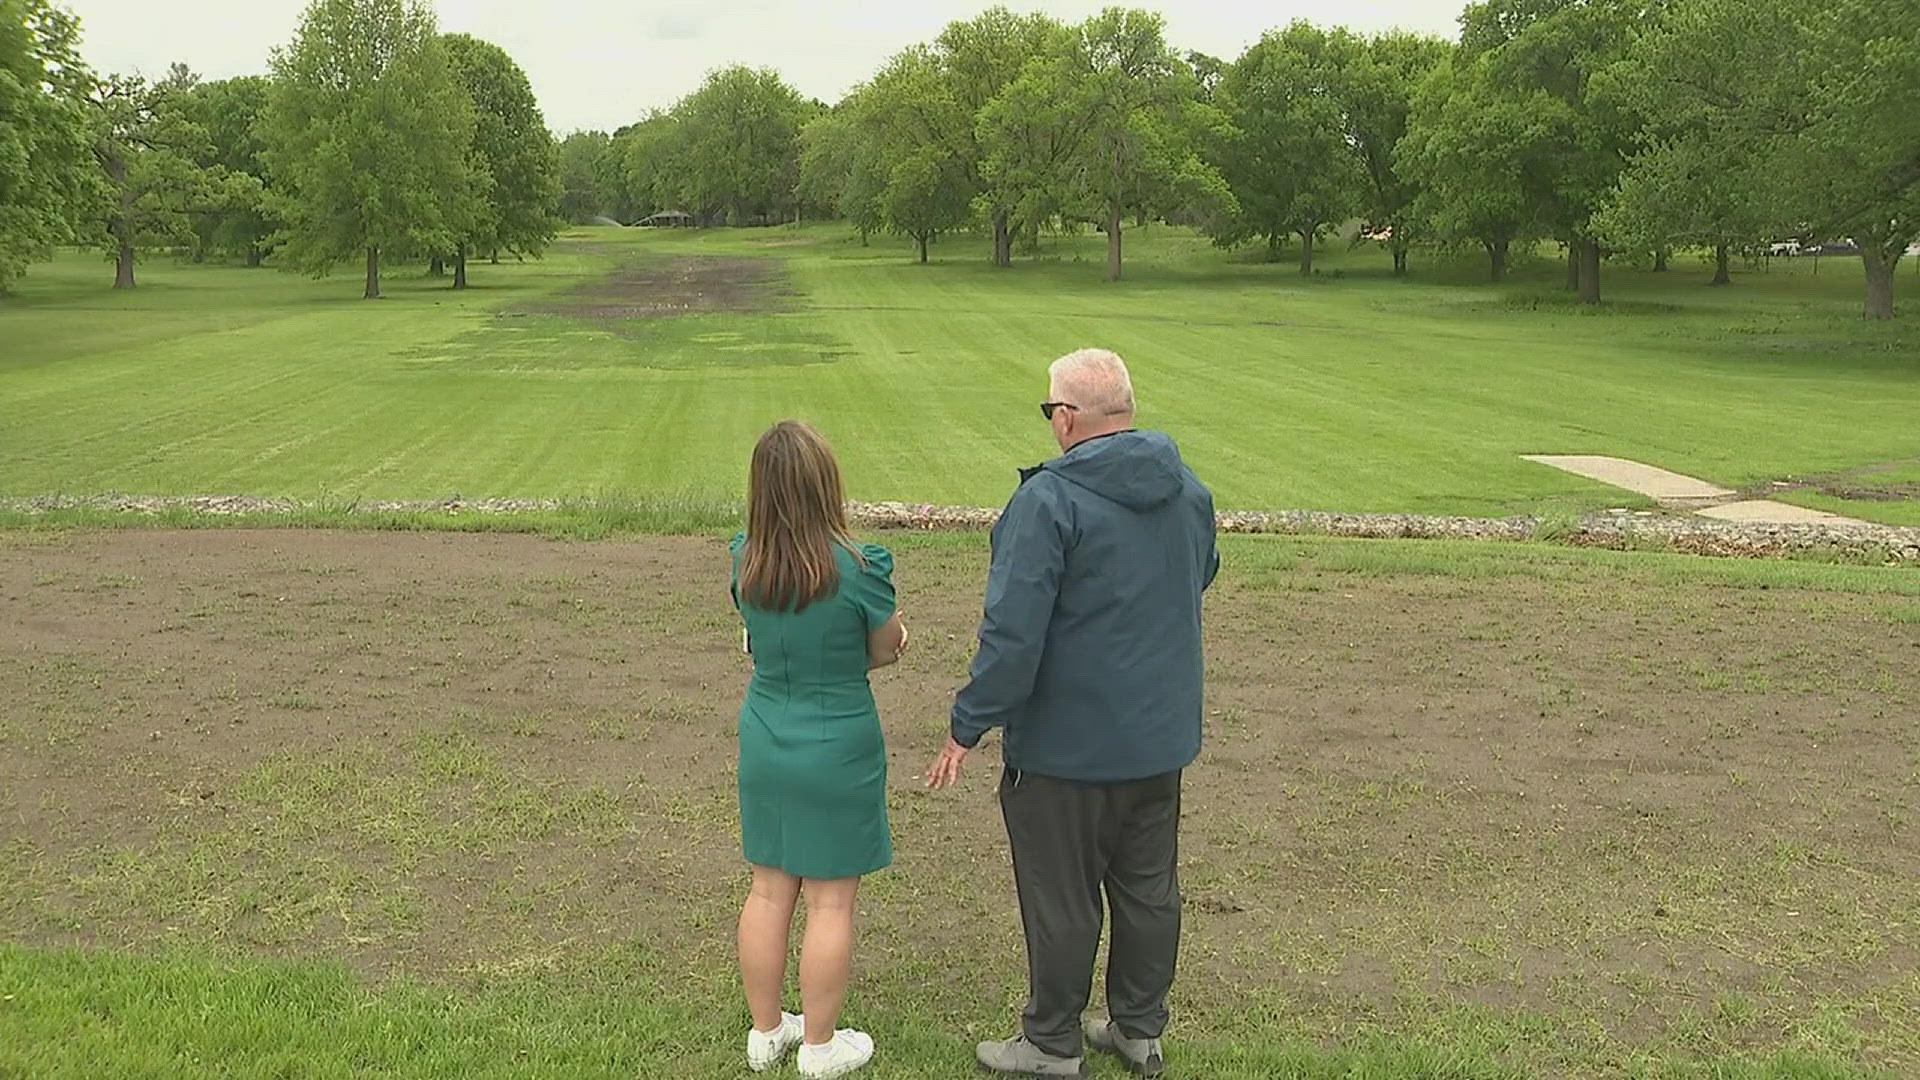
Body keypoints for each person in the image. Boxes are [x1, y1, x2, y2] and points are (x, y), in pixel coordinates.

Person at [926, 349, 1219, 1079]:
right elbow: (1199, 573)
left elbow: (1013, 632)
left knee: (1061, 895)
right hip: (1157, 736)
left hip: (1066, 749)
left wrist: (970, 721)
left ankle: (1053, 1040)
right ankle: (1138, 1027)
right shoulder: (1188, 491)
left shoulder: (1047, 503)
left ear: (1064, 420)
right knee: (1148, 886)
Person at [730, 420, 908, 1079]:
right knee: (831, 900)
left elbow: (753, 635)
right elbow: (887, 646)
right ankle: (821, 1047)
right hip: (837, 739)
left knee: (769, 890)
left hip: (766, 731)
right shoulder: (859, 568)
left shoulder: (745, 558)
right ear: (825, 484)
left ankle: (766, 1031)